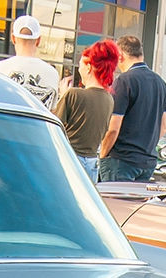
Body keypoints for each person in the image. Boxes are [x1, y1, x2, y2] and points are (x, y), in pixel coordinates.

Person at [98, 35, 166, 182]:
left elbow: (113, 128)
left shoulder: (124, 82)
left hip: (121, 160)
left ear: (121, 55)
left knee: (114, 205)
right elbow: (163, 127)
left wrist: (102, 155)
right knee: (135, 205)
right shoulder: (162, 84)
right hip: (148, 162)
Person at [53, 39, 117, 182]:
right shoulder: (109, 99)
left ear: (89, 67)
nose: (79, 68)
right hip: (92, 161)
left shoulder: (74, 94)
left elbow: (55, 127)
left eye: (81, 64)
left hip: (70, 158)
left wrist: (63, 95)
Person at [0, 15, 60, 109]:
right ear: (38, 40)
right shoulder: (53, 74)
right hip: (39, 123)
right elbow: (52, 111)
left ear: (13, 38)